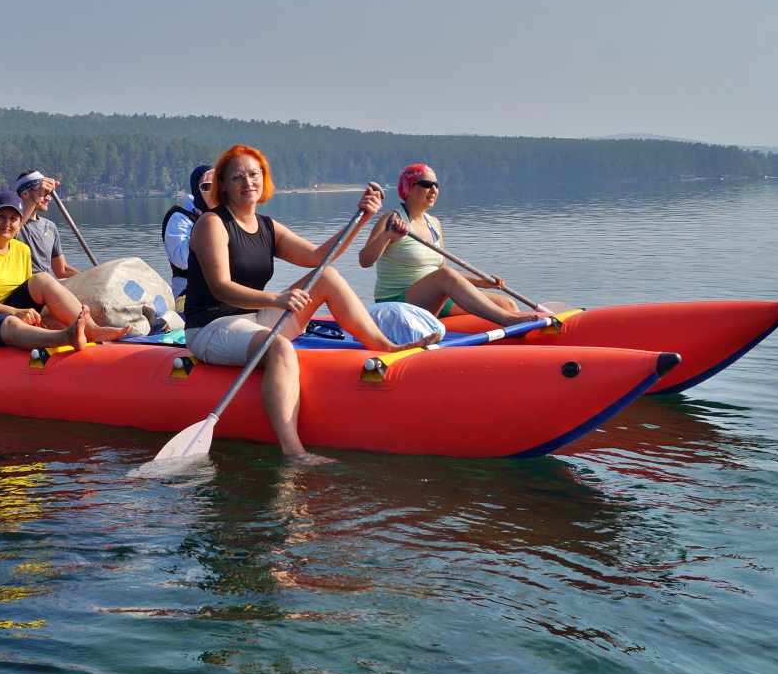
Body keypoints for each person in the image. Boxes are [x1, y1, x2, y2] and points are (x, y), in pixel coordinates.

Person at [185, 145, 441, 464]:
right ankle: (294, 452)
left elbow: (318, 258)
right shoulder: (212, 223)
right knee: (279, 347)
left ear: (264, 180)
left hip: (252, 319)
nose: (247, 182)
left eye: (254, 174)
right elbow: (221, 289)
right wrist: (276, 299)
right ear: (222, 184)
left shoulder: (267, 226)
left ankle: (386, 346)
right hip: (210, 327)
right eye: (237, 176)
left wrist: (361, 218)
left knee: (327, 277)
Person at [0, 191, 131, 351]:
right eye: (1, 216)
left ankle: (92, 330)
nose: (7, 223)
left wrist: (38, 317)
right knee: (11, 321)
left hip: (0, 310)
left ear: (20, 223)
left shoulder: (22, 250)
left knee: (42, 279)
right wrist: (16, 312)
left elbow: (28, 293)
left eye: (13, 218)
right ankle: (66, 337)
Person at [356, 164, 531, 325]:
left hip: (434, 300)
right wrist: (386, 236)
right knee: (445, 274)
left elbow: (448, 279)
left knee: (507, 304)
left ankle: (514, 338)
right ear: (409, 188)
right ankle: (508, 322)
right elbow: (365, 261)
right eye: (426, 184)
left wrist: (480, 282)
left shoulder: (434, 223)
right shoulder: (392, 219)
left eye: (436, 185)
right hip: (395, 304)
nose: (433, 190)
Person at [13, 170, 79, 280]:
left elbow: (62, 271)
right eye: (45, 193)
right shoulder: (9, 226)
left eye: (49, 194)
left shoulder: (50, 226)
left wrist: (92, 277)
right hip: (23, 288)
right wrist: (37, 195)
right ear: (26, 194)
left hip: (47, 287)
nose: (48, 198)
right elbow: (16, 225)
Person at [162, 164, 215, 299]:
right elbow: (182, 260)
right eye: (207, 186)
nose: (215, 191)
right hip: (187, 295)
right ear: (197, 190)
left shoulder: (226, 216)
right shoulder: (179, 218)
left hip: (223, 294)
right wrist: (205, 225)